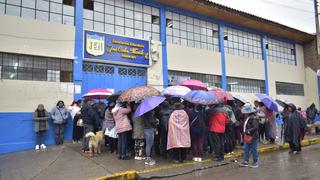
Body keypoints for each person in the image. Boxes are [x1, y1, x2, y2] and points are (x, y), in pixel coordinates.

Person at [239, 103, 259, 168]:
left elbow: (255, 127)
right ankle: (245, 161)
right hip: (248, 136)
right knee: (246, 149)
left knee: (253, 150)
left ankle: (255, 162)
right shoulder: (248, 117)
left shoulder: (253, 118)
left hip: (253, 136)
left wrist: (248, 131)